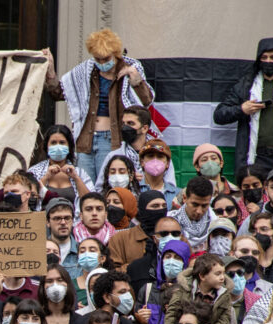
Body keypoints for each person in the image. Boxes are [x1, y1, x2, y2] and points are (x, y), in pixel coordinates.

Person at [43, 28, 154, 179]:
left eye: (106, 59)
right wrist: (50, 71)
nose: (101, 63)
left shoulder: (130, 68)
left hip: (112, 138)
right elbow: (59, 93)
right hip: (85, 138)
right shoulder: (86, 70)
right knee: (84, 183)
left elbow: (145, 102)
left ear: (115, 54)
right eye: (97, 59)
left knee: (108, 182)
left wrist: (135, 79)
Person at [213, 37, 273, 168]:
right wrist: (242, 109)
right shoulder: (246, 85)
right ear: (259, 59)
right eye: (264, 57)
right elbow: (219, 115)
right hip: (254, 157)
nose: (268, 61)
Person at [167, 177, 216, 253]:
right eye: (195, 204)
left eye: (204, 206)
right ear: (184, 198)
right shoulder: (169, 222)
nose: (199, 211)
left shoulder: (216, 224)